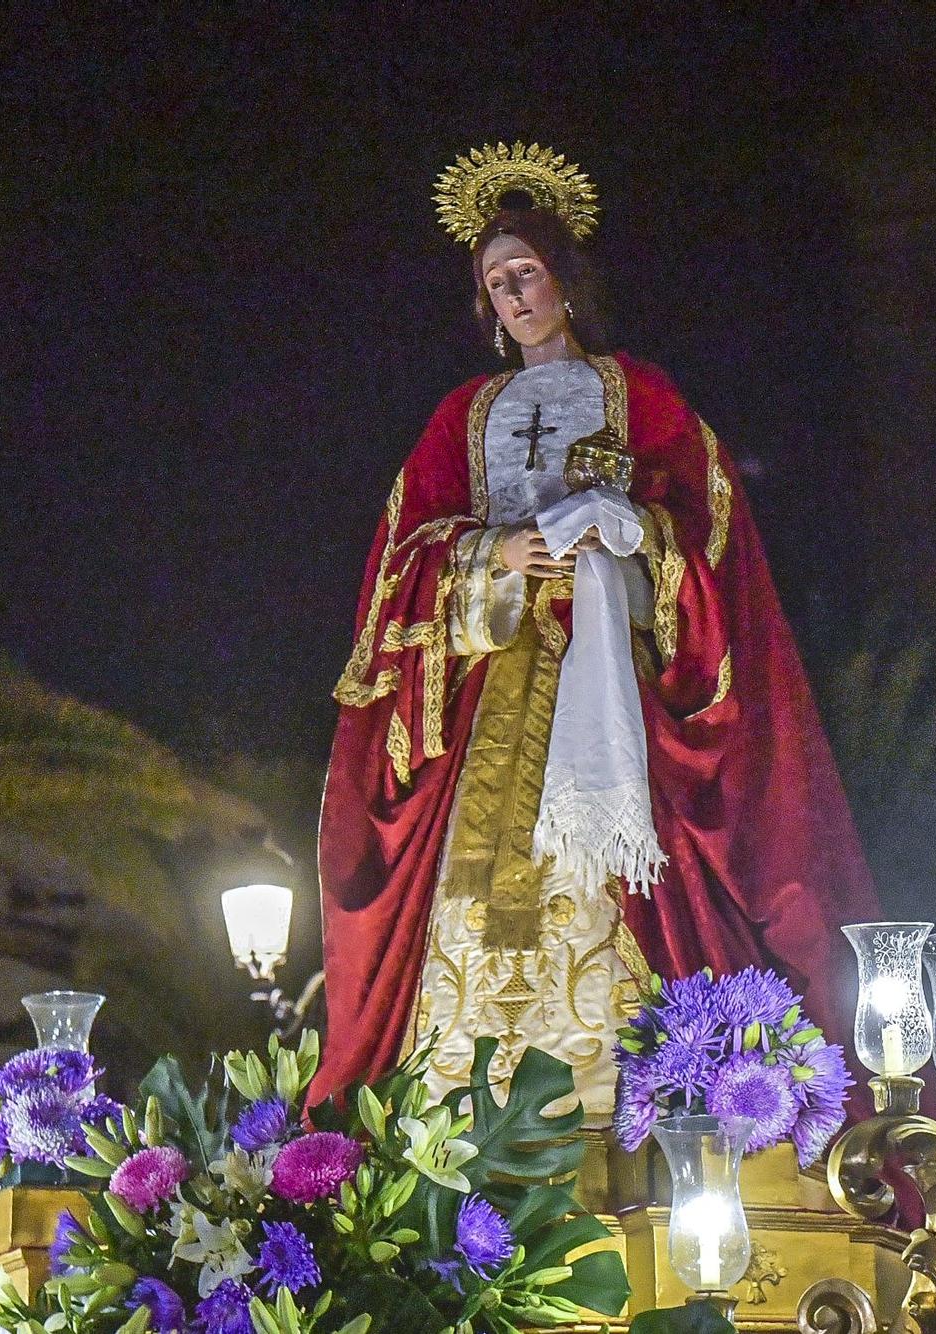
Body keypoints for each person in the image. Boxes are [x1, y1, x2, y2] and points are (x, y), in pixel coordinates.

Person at [312, 144, 880, 1124]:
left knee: (614, 886)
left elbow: (712, 544)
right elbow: (397, 559)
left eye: (524, 272)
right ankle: (471, 1118)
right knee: (482, 905)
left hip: (609, 682)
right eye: (494, 284)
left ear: (564, 278)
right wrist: (494, 553)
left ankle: (644, 1111)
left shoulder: (640, 394)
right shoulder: (462, 415)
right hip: (493, 691)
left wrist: (631, 538)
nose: (512, 295)